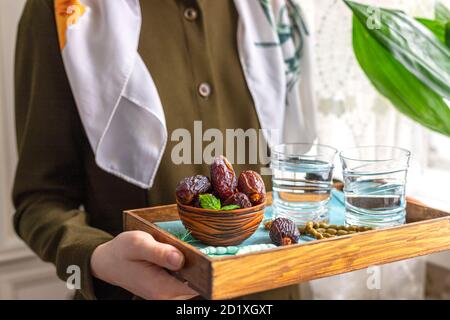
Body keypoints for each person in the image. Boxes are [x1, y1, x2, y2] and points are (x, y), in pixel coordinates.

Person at [13, 0, 316, 300]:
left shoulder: (278, 8)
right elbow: (41, 199)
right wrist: (96, 256)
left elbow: (306, 166)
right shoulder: (61, 11)